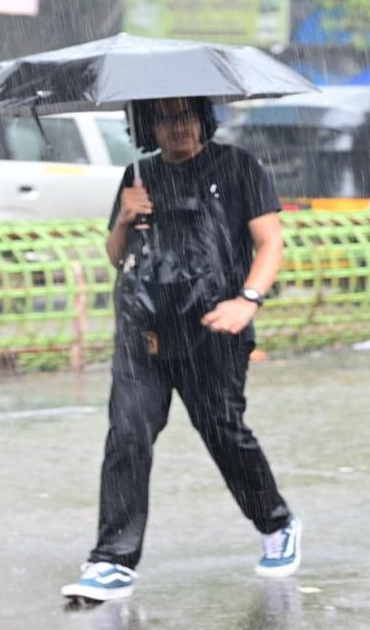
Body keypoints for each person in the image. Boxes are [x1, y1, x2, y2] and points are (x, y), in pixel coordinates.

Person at [61, 97, 301, 603]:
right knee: (128, 435)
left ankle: (276, 523)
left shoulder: (238, 167)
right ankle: (112, 560)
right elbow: (117, 256)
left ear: (203, 118)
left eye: (187, 116)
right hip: (143, 331)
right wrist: (124, 218)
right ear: (148, 127)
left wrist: (247, 300)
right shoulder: (138, 175)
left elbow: (270, 243)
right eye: (166, 119)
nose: (179, 128)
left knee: (223, 433)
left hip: (213, 330)